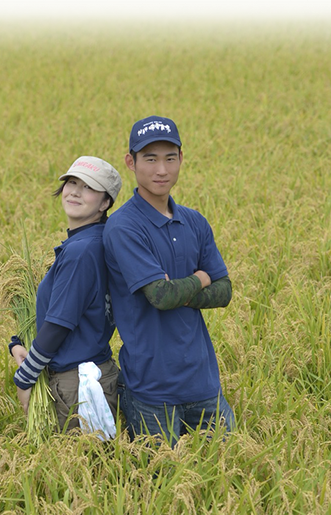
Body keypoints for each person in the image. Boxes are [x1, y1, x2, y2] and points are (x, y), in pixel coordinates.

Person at [102, 116, 235, 446]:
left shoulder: (194, 221)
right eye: (150, 159)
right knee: (162, 475)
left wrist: (179, 288)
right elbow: (160, 296)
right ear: (131, 162)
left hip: (204, 383)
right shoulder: (124, 226)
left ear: (181, 159)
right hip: (151, 389)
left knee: (227, 467)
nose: (161, 170)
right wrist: (200, 278)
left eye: (170, 158)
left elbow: (224, 291)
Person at [9, 156, 122, 433]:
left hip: (77, 387)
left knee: (79, 460)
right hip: (94, 374)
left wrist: (25, 378)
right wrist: (19, 342)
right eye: (72, 183)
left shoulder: (81, 251)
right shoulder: (97, 241)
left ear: (105, 203)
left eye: (88, 187)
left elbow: (59, 323)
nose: (75, 192)